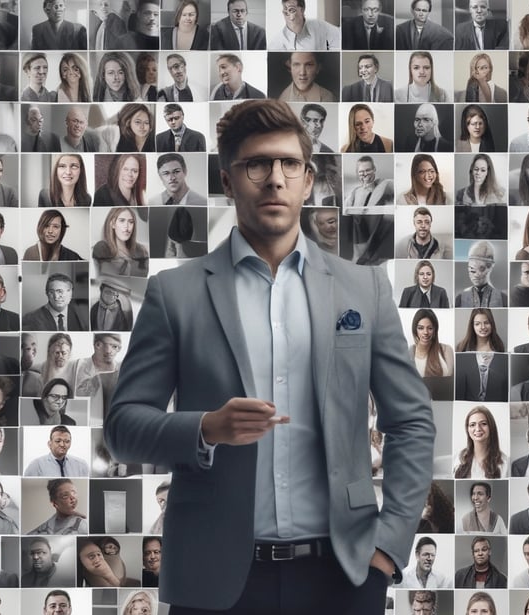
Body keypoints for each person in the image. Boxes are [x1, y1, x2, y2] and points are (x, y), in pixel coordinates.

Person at [104, 98, 434, 612]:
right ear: (227, 180)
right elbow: (123, 427)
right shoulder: (175, 293)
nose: (275, 179)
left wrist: (388, 547)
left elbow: (411, 421)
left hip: (343, 577)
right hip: (213, 581)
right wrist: (205, 428)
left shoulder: (364, 288)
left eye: (289, 165)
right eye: (257, 164)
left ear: (308, 180)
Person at [71, 333, 123, 419]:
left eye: (116, 347)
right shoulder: (80, 365)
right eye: (112, 346)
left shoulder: (122, 367)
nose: (112, 351)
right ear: (97, 345)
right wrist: (99, 378)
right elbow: (78, 398)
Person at [453, 405, 508, 478]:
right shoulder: (460, 458)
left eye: (483, 424)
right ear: (468, 429)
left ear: (491, 427)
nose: (478, 428)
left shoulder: (504, 461)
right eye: (472, 425)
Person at [23, 272, 88, 332]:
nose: (56, 297)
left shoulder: (83, 315)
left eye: (60, 291)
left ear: (71, 293)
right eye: (51, 292)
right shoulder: (30, 319)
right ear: (46, 293)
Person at [269, 0, 340, 50]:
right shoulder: (275, 44)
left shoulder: (318, 26)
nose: (288, 15)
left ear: (302, 10)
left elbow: (339, 36)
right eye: (285, 10)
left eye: (291, 10)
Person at [454, 241, 507, 307]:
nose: (476, 275)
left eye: (481, 269)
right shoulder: (460, 298)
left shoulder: (502, 298)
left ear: (490, 267)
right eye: (472, 269)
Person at [24, 425, 90, 477]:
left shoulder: (81, 465)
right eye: (58, 441)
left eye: (67, 441)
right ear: (49, 444)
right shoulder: (36, 465)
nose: (62, 444)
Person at [408, 309, 454, 378]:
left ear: (435, 329)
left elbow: (451, 380)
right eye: (421, 328)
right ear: (415, 330)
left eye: (430, 328)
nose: (425, 332)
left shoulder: (446, 350)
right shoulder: (410, 352)